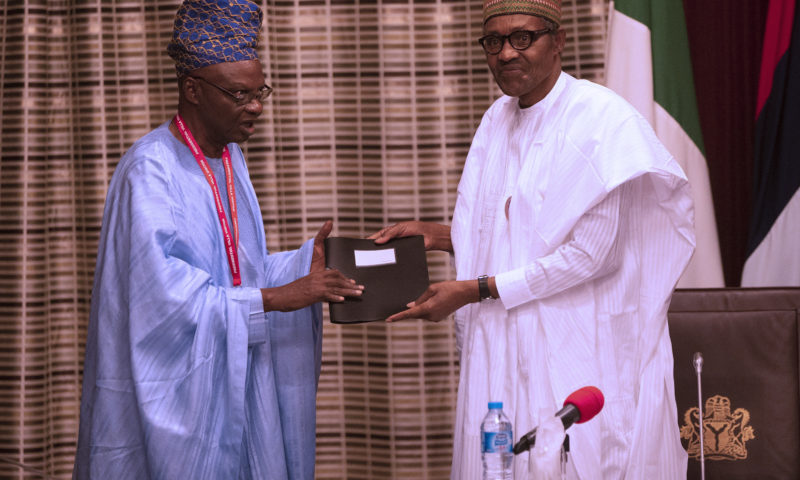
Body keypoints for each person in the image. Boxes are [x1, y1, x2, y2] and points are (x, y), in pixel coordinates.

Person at [370, 0, 695, 478]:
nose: (506, 53)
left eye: (522, 37)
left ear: (558, 40)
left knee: (573, 462)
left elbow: (589, 256)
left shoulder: (602, 121)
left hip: (576, 343)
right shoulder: (496, 121)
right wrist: (441, 236)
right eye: (494, 41)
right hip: (503, 341)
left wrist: (475, 289)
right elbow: (521, 233)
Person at [72, 1, 363, 478]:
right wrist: (274, 298)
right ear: (193, 89)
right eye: (239, 93)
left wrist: (299, 268)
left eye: (260, 91)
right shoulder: (150, 170)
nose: (257, 106)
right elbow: (161, 307)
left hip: (236, 385)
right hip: (175, 405)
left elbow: (236, 274)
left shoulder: (230, 160)